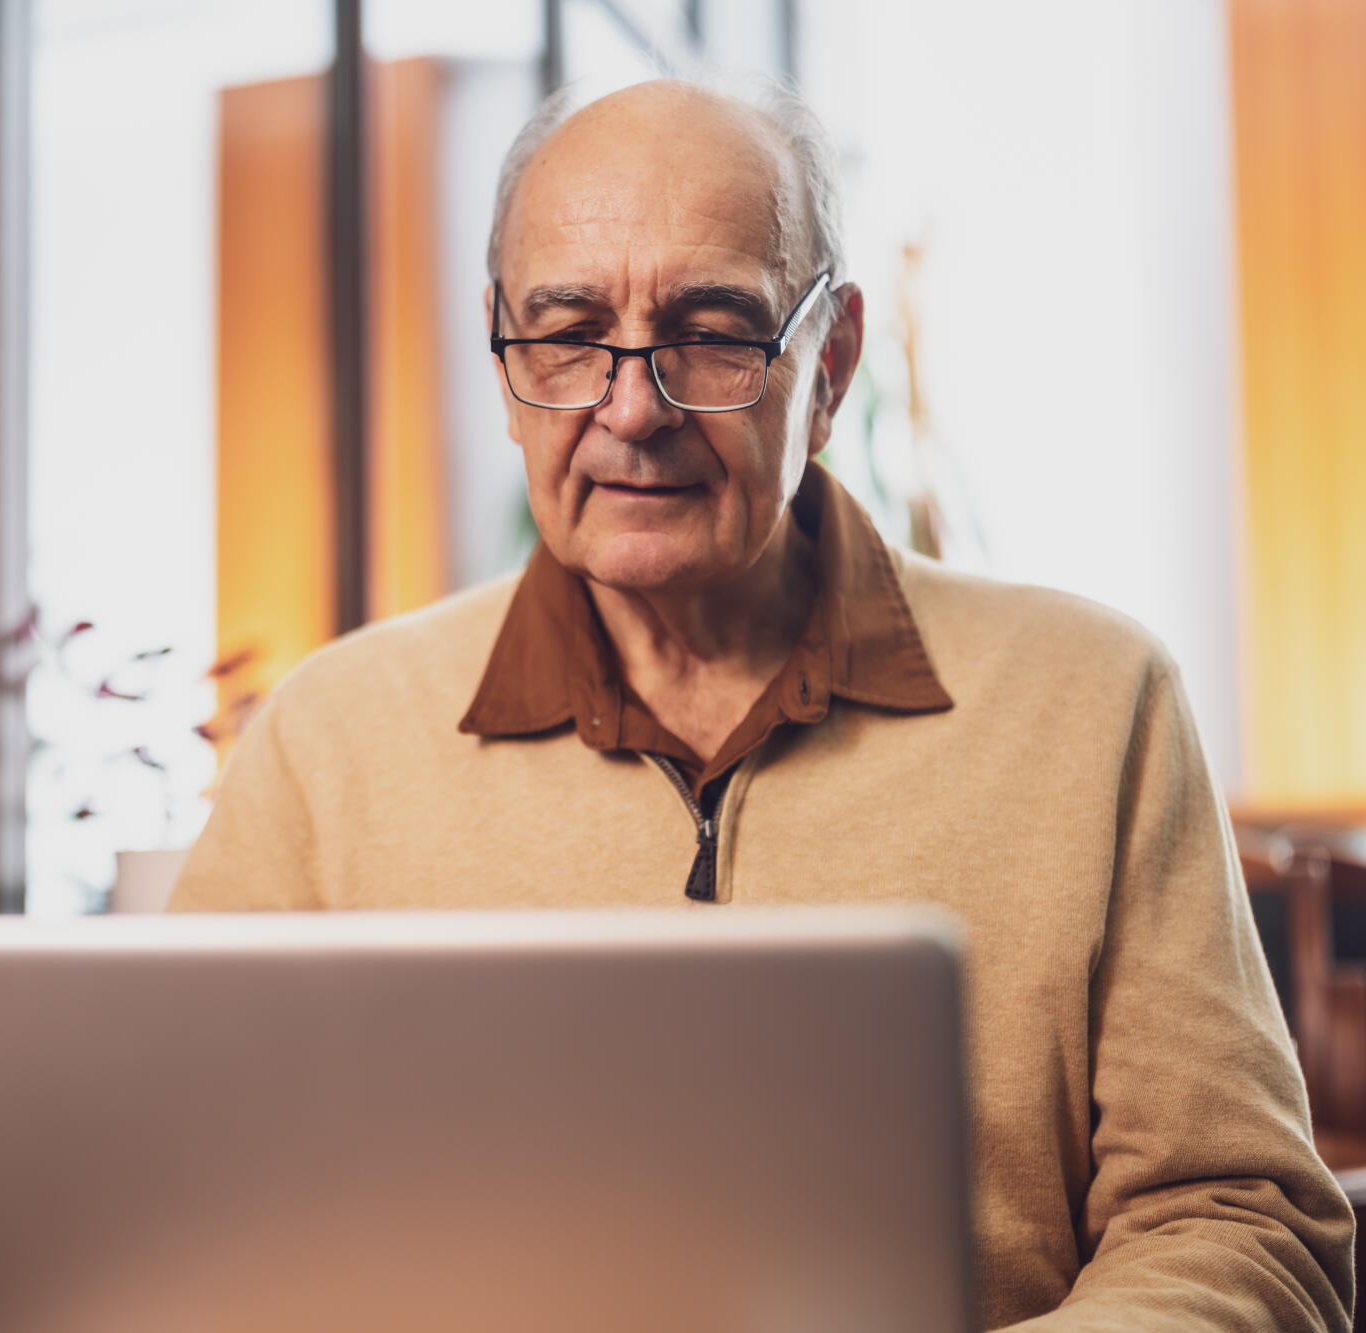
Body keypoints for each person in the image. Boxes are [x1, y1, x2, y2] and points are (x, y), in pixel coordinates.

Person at [171, 76, 1354, 1330]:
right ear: (503, 355)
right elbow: (174, 1199)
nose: (633, 409)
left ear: (828, 360)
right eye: (567, 331)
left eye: (714, 329)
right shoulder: (326, 741)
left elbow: (1240, 1220)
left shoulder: (1095, 703)